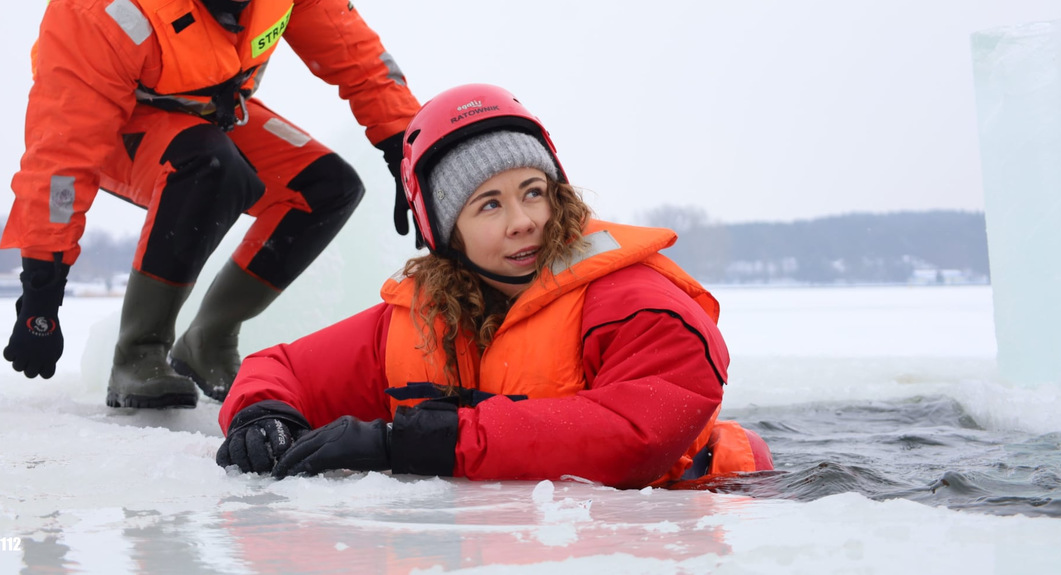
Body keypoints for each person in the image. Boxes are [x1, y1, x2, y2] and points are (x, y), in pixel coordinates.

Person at [0, 0, 422, 410]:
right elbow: (60, 151)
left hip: (213, 113)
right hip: (122, 129)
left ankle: (209, 339)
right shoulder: (101, 2)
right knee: (211, 165)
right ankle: (139, 355)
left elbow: (360, 59)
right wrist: (41, 290)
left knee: (329, 186)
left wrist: (408, 150)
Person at [215, 84, 772, 488]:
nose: (523, 221)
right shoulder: (419, 321)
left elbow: (634, 437)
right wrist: (261, 416)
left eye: (534, 191)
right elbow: (280, 368)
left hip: (704, 512)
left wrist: (410, 442)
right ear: (443, 231)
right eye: (489, 205)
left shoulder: (638, 305)